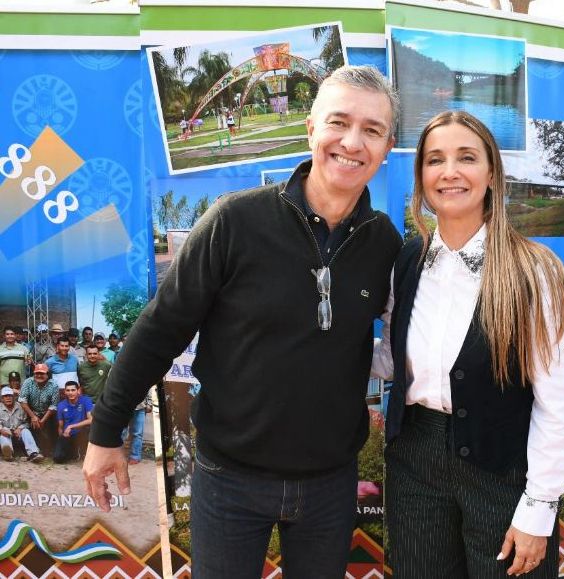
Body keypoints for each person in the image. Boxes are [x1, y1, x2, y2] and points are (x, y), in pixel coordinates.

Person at [84, 65, 401, 578]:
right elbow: (160, 329)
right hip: (228, 480)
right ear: (311, 130)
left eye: (371, 130)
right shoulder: (235, 220)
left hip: (329, 487)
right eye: (338, 122)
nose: (352, 141)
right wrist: (105, 433)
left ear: (387, 147)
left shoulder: (386, 243)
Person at [372, 111, 564, 578]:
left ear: (491, 174)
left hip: (502, 468)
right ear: (421, 176)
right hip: (415, 463)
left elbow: (559, 405)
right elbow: (394, 360)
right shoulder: (406, 262)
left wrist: (539, 509)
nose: (449, 172)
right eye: (435, 160)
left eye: (466, 157)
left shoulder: (535, 271)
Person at [18, 363, 60, 453]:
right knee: (29, 428)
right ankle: (31, 450)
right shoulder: (28, 382)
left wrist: (42, 421)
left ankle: (51, 449)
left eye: (42, 373)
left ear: (47, 374)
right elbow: (22, 401)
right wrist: (33, 417)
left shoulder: (54, 385)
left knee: (52, 427)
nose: (39, 375)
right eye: (37, 373)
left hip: (48, 413)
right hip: (31, 412)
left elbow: (53, 406)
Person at [1, 385, 45, 462]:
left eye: (10, 396)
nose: (8, 398)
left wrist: (20, 428)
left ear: (14, 397)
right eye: (5, 396)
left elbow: (27, 422)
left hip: (19, 434)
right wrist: (1, 430)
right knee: (3, 434)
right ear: (2, 399)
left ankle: (33, 453)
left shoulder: (21, 406)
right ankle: (8, 453)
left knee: (26, 431)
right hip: (6, 434)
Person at [54, 381, 93, 463]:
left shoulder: (86, 400)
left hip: (82, 433)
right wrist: (62, 440)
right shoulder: (61, 405)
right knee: (58, 458)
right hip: (69, 435)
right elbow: (60, 427)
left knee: (90, 429)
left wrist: (71, 426)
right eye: (68, 390)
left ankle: (85, 452)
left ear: (78, 391)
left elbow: (91, 420)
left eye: (73, 390)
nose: (70, 393)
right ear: (64, 392)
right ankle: (74, 452)